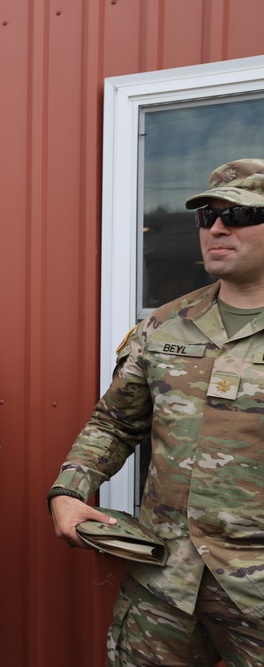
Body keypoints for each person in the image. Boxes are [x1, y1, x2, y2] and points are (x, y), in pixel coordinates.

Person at [48, 158, 264, 666]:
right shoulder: (166, 326)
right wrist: (68, 490)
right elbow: (115, 422)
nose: (216, 228)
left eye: (237, 215)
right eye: (207, 216)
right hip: (164, 580)